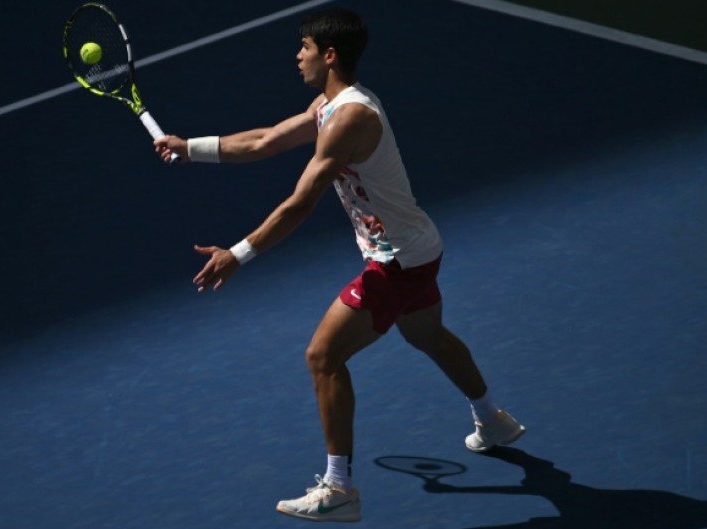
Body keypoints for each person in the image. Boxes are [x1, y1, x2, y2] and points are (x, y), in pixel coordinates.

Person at [154, 8, 525, 523]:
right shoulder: (329, 105)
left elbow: (301, 201)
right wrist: (189, 148)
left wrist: (237, 254)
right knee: (427, 336)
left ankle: (339, 489)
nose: (297, 55)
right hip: (418, 249)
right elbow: (265, 141)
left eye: (304, 47)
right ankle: (494, 421)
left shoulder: (351, 116)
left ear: (329, 54)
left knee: (323, 356)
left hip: (394, 261)